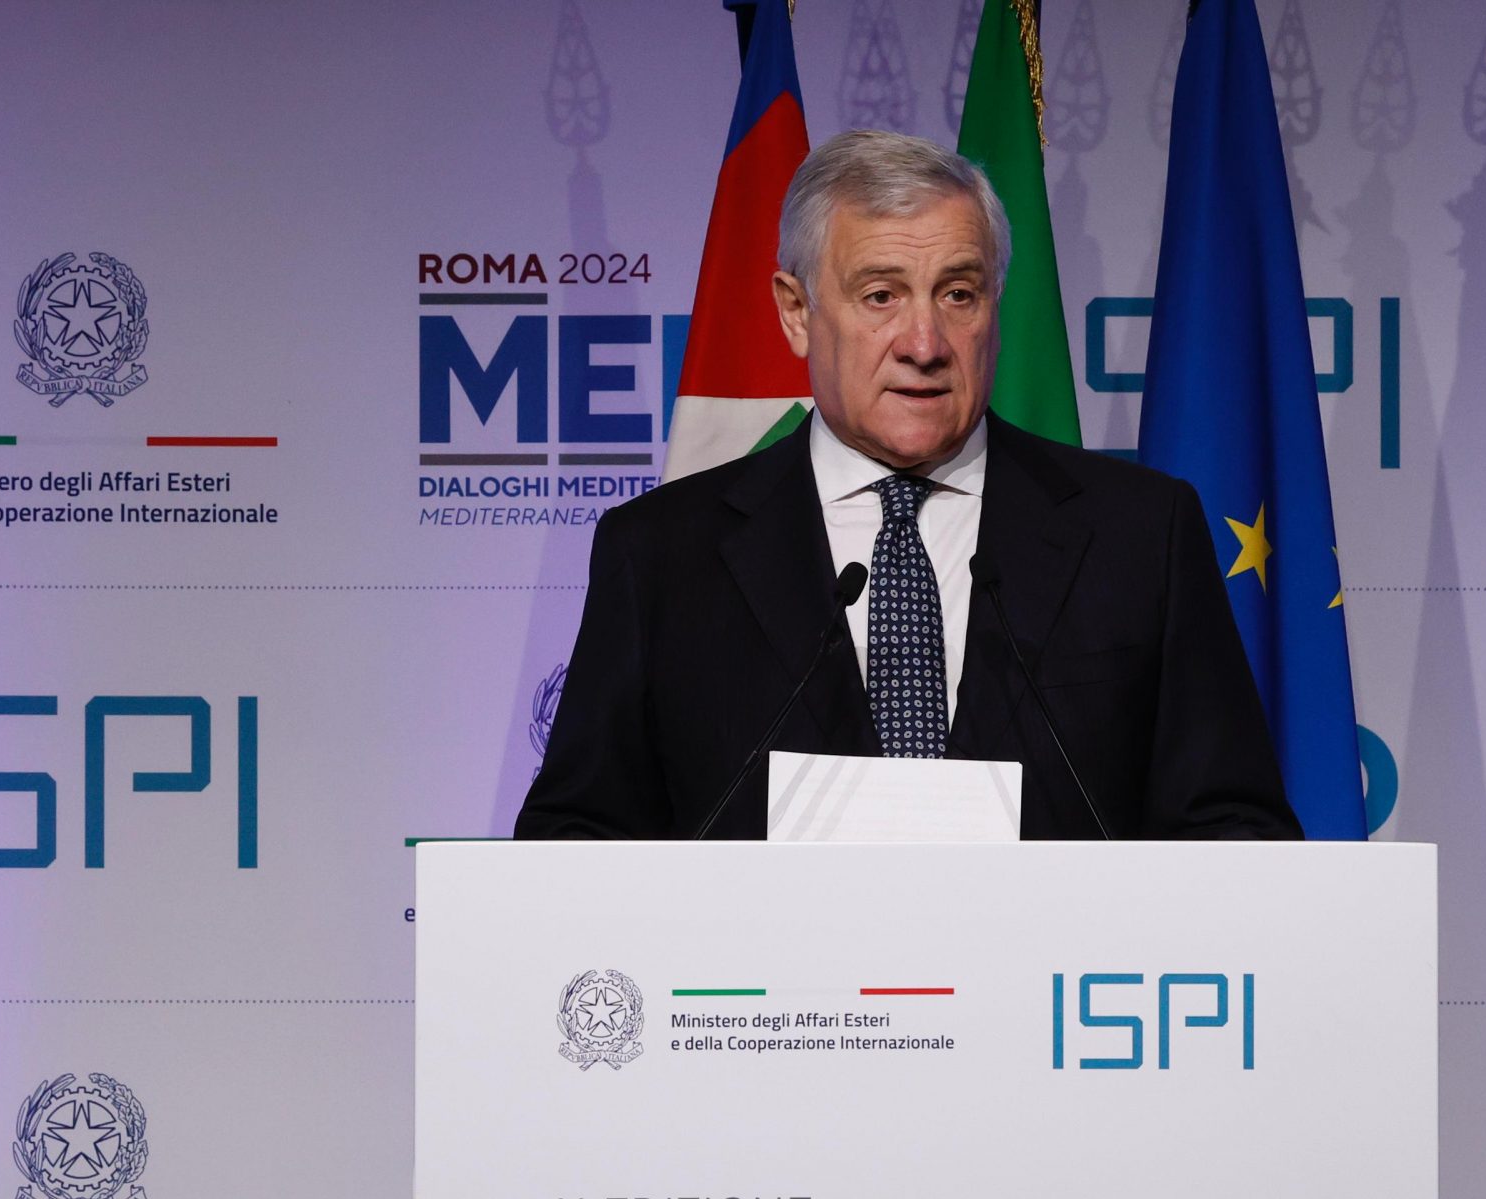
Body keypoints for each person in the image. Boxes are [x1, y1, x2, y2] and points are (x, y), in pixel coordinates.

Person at [516, 129, 1300, 840]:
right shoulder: (662, 554)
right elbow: (576, 839)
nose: (924, 343)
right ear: (796, 313)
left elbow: (1236, 831)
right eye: (881, 295)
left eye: (958, 294)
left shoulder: (1140, 534)